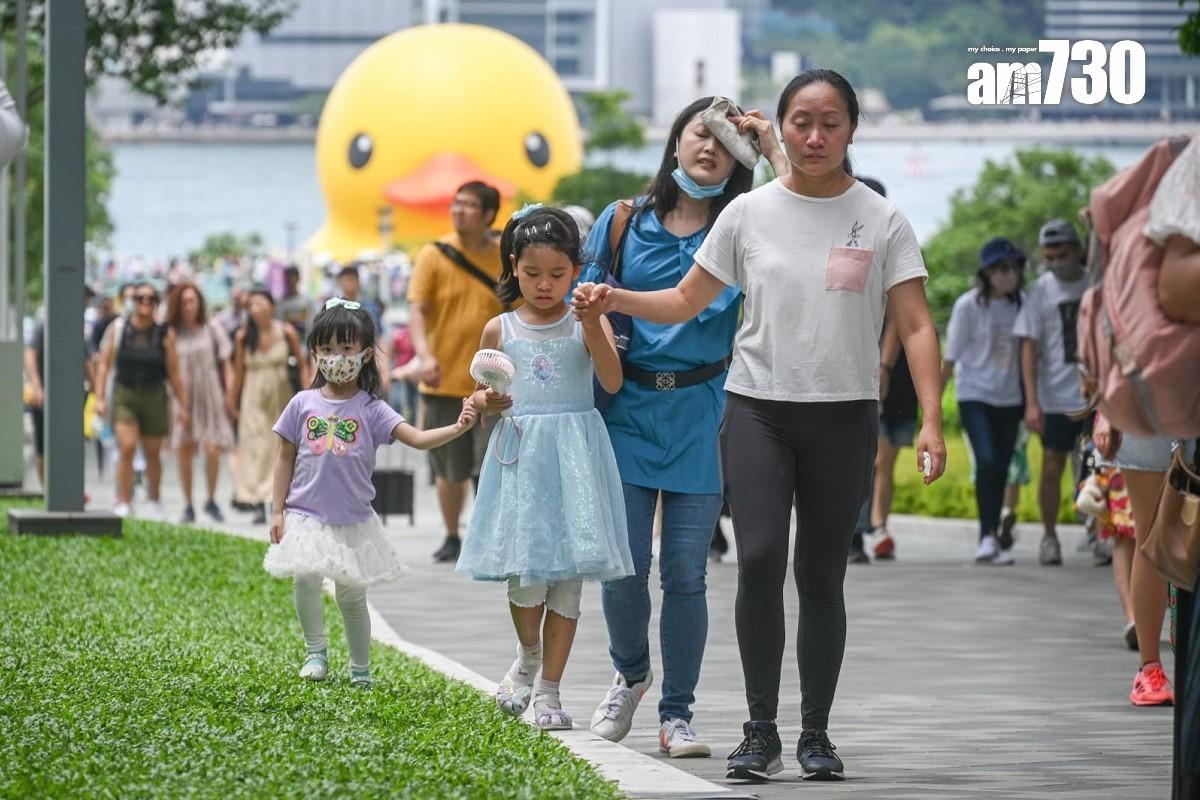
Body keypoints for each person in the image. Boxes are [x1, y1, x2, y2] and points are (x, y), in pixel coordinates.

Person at [574, 69, 946, 783]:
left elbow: (917, 324)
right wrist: (610, 296)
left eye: (830, 122)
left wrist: (931, 421)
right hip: (756, 410)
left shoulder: (882, 218)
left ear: (852, 131)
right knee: (762, 557)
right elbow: (685, 301)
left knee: (820, 575)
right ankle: (759, 731)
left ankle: (815, 734)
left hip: (844, 413)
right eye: (800, 122)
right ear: (780, 125)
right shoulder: (747, 214)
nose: (815, 136)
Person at [578, 96, 787, 757]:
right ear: (674, 143)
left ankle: (678, 715)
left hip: (705, 414)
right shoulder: (619, 223)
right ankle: (632, 673)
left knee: (687, 575)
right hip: (625, 412)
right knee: (622, 570)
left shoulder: (746, 227)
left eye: (726, 143)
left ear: (739, 162)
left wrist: (774, 144)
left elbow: (804, 213)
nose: (708, 148)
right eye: (700, 133)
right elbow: (579, 315)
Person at [457, 205, 635, 731]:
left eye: (558, 275)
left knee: (568, 581)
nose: (544, 284)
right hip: (522, 460)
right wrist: (484, 403)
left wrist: (592, 323)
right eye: (533, 274)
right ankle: (528, 656)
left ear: (577, 270)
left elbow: (612, 381)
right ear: (513, 266)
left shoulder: (585, 321)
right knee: (526, 575)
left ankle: (550, 693)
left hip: (575, 459)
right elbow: (489, 394)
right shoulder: (500, 327)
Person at [264, 299, 478, 688]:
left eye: (346, 349)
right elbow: (284, 458)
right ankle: (316, 653)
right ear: (314, 352)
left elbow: (417, 438)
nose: (336, 358)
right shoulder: (301, 404)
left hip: (352, 520)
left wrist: (458, 428)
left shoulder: (372, 409)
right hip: (304, 513)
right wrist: (277, 511)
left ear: (364, 355)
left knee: (351, 596)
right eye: (327, 349)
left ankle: (360, 669)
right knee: (307, 580)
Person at [408, 180, 507, 562]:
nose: (458, 210)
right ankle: (452, 535)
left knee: (492, 465)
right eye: (456, 203)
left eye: (468, 206)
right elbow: (418, 310)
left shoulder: (504, 256)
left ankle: (491, 537)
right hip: (443, 380)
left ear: (488, 215)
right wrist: (424, 356)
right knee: (449, 468)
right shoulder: (434, 255)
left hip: (494, 384)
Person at [942, 237, 1026, 565]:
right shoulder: (968, 306)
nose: (1010, 275)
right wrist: (931, 408)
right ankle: (985, 536)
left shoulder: (1022, 305)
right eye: (1002, 269)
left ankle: (991, 536)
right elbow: (950, 357)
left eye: (1014, 268)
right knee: (987, 460)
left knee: (1002, 468)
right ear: (987, 272)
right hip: (974, 395)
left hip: (1011, 399)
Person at [1014, 218, 1090, 566]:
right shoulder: (1039, 292)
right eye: (1049, 252)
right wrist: (1032, 402)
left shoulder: (1095, 284)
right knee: (1051, 465)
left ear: (1076, 249)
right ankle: (1048, 535)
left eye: (1061, 250)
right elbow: (1028, 348)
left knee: (1096, 469)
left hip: (1096, 397)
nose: (1055, 258)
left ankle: (1097, 533)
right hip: (1054, 397)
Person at [92, 282, 188, 519]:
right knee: (126, 447)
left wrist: (184, 405)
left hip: (155, 394)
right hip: (126, 394)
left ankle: (154, 500)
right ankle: (124, 500)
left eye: (150, 298)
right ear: (131, 302)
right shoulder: (119, 328)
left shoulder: (165, 332)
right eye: (139, 298)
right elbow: (103, 365)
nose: (145, 303)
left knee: (152, 453)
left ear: (156, 303)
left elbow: (174, 372)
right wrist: (99, 397)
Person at [228, 288, 309, 524]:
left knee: (279, 446)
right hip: (253, 396)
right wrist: (231, 402)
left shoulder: (287, 332)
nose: (255, 308)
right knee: (255, 446)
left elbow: (303, 364)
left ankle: (276, 499)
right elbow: (238, 372)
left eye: (260, 302)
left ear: (272, 306)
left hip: (281, 396)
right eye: (251, 305)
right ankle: (257, 498)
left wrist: (307, 396)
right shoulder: (243, 337)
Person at [165, 282, 236, 524]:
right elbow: (170, 368)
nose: (188, 306)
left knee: (213, 447)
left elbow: (227, 362)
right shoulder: (172, 332)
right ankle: (188, 504)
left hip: (210, 393)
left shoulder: (212, 328)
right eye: (184, 301)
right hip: (183, 395)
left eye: (192, 300)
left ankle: (211, 499)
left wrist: (230, 394)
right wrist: (179, 401)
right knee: (185, 448)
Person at [276, 265, 312, 341]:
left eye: (293, 278)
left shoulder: (307, 300)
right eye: (288, 278)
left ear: (298, 278)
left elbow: (312, 321)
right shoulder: (280, 303)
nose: (291, 281)